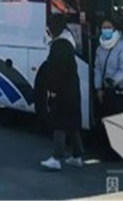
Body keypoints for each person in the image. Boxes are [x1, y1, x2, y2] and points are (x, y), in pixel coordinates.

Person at [40, 17, 84, 171]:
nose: (48, 32)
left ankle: (57, 157)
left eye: (49, 29)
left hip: (62, 92)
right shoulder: (67, 43)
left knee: (59, 123)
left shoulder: (59, 46)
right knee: (72, 123)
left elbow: (56, 71)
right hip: (72, 90)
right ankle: (77, 155)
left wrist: (52, 90)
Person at [94, 19, 123, 155]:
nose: (106, 30)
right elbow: (98, 69)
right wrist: (98, 87)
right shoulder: (100, 47)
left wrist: (112, 82)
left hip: (120, 89)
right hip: (107, 91)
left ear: (114, 28)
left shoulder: (122, 46)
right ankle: (109, 151)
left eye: (109, 27)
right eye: (104, 27)